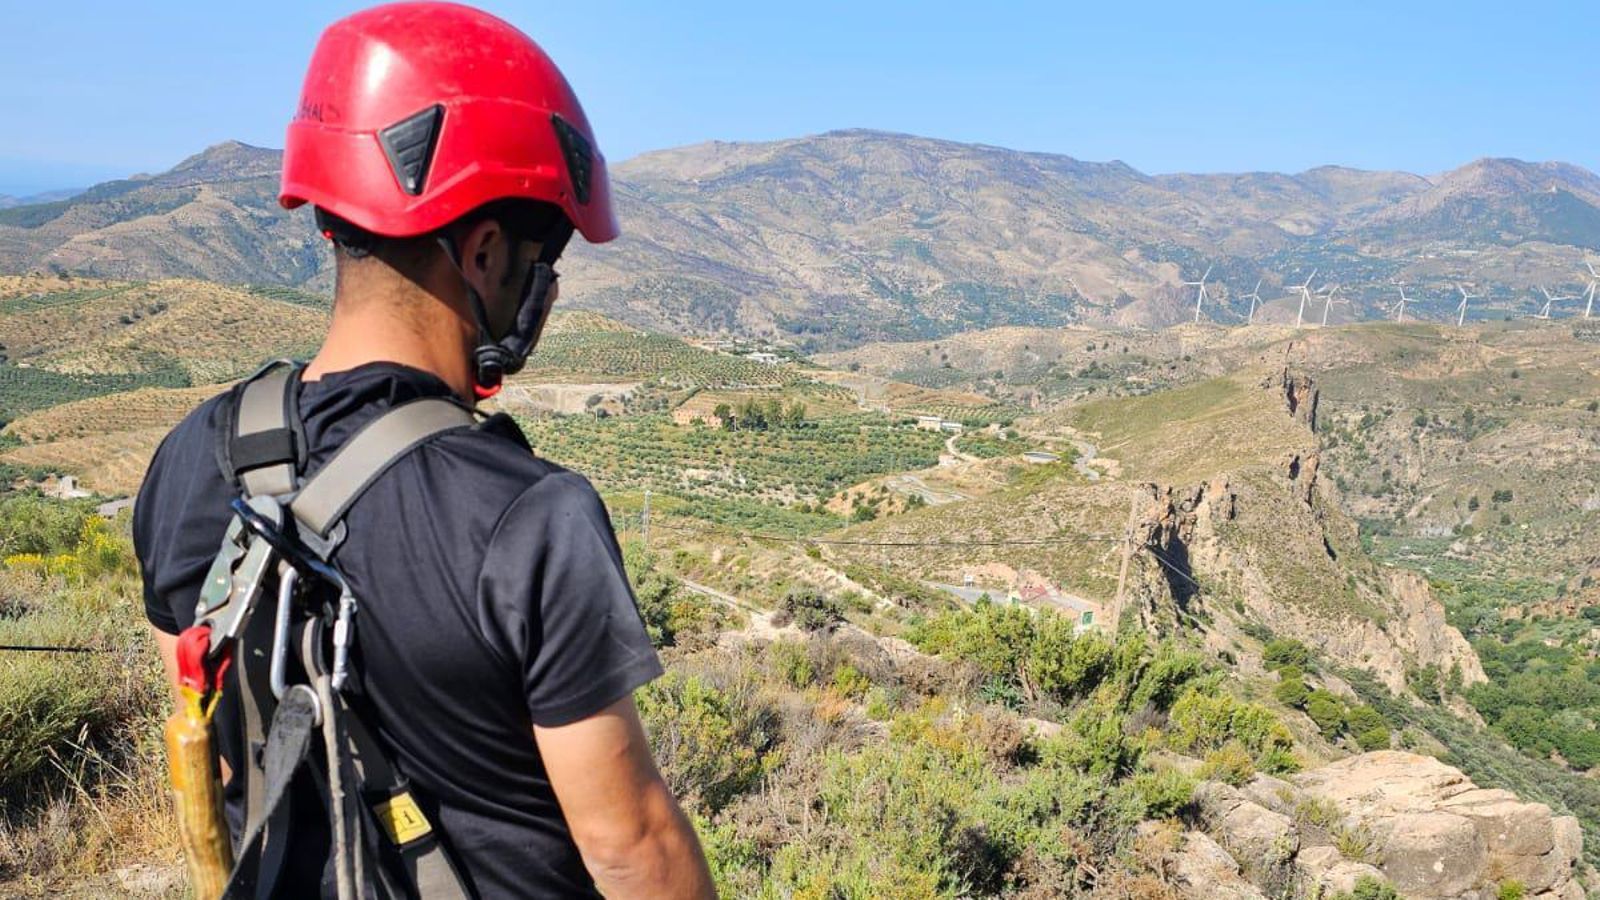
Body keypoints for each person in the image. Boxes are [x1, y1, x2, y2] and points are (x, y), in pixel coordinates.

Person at [133, 3, 715, 897]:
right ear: (483, 253)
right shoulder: (532, 521)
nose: (543, 298)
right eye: (540, 265)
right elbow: (630, 847)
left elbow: (212, 747)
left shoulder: (188, 459)